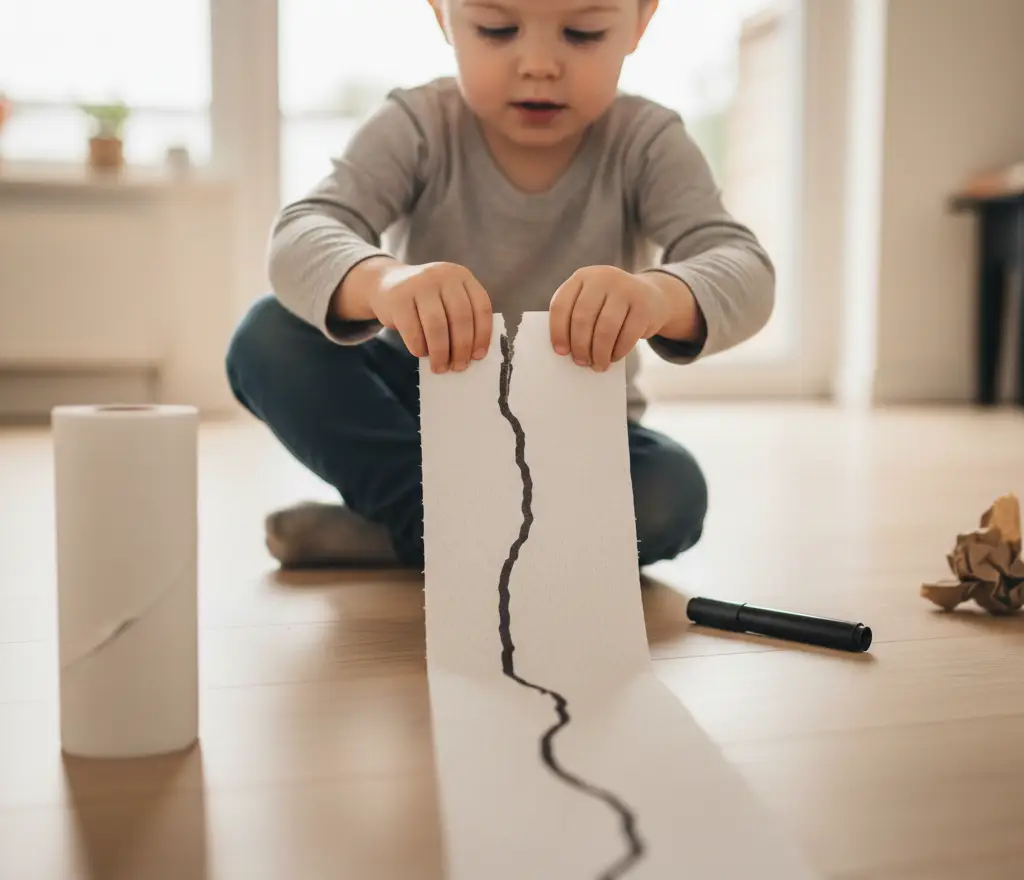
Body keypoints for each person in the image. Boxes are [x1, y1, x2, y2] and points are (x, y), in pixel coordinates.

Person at [225, 0, 774, 570]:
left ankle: (405, 531)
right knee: (268, 336)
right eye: (497, 29)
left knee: (669, 495)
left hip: (575, 437)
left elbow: (742, 264)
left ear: (640, 21)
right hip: (419, 421)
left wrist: (660, 296)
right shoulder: (418, 123)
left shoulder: (646, 141)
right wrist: (383, 282)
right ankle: (453, 526)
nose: (538, 64)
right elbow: (303, 232)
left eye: (582, 33)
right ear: (443, 15)